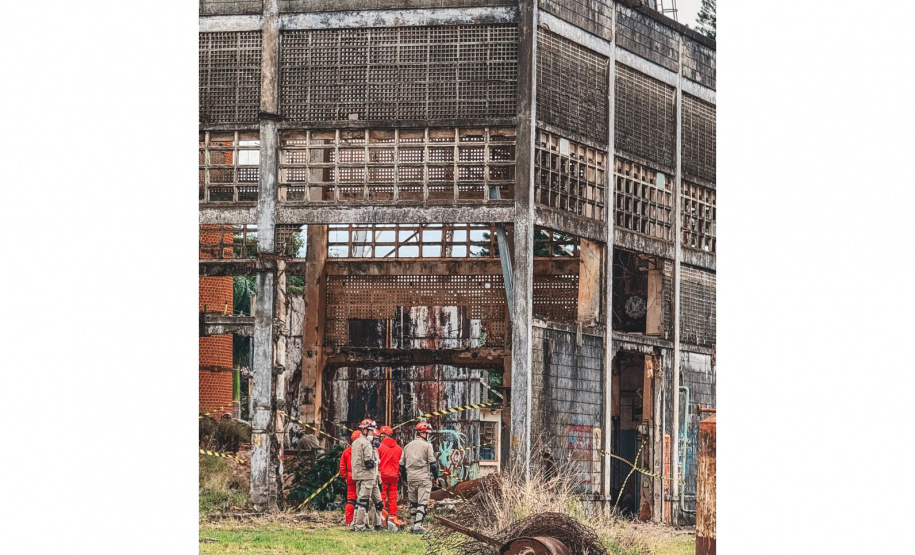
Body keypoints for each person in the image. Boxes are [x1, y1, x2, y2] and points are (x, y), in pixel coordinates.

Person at [399, 421, 438, 534]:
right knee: (422, 502)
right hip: (423, 477)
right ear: (423, 433)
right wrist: (435, 478)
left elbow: (401, 466)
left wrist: (405, 479)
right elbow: (433, 465)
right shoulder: (427, 446)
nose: (428, 435)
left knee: (413, 503)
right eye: (427, 433)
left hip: (411, 478)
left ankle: (412, 524)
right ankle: (418, 526)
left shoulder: (407, 446)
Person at [350, 418, 384, 532]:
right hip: (367, 475)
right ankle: (360, 526)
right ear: (365, 430)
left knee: (360, 500)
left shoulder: (356, 442)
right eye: (371, 431)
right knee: (363, 501)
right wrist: (376, 462)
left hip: (359, 475)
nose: (372, 434)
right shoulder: (366, 444)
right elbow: (368, 463)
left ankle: (354, 524)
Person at [376, 425, 402, 522]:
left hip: (382, 475)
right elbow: (401, 462)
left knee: (381, 497)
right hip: (394, 476)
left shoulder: (379, 447)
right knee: (392, 497)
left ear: (382, 435)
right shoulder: (398, 448)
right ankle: (392, 517)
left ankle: (381, 518)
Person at [338, 430, 361, 525]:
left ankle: (349, 521)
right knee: (361, 500)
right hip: (360, 476)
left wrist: (346, 476)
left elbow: (342, 466)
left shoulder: (346, 452)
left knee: (350, 500)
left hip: (350, 477)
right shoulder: (361, 451)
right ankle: (359, 521)